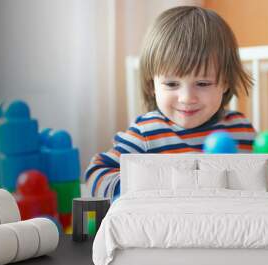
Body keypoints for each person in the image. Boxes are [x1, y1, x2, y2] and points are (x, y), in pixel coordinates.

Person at [85, 6, 256, 201]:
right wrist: (132, 191)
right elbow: (96, 171)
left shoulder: (241, 130)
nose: (186, 98)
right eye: (172, 84)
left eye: (202, 83)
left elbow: (261, 181)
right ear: (152, 85)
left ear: (225, 83)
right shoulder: (146, 133)